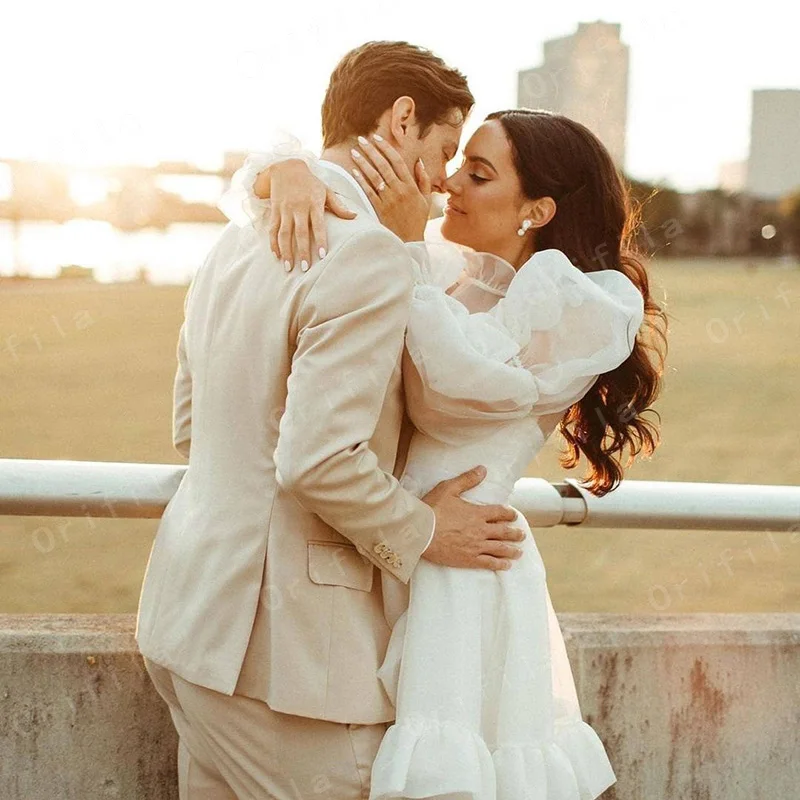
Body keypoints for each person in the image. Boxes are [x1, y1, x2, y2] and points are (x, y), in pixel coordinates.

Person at [135, 41, 531, 800]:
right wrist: (425, 530)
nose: (446, 178)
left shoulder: (233, 241)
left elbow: (191, 425)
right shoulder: (368, 256)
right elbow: (316, 459)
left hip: (186, 628)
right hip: (289, 669)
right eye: (446, 149)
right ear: (402, 118)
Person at [235, 107, 668, 799]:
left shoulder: (578, 297)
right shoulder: (454, 272)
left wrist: (403, 248)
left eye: (479, 172)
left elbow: (455, 388)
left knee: (457, 770)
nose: (449, 185)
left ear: (537, 209)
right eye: (458, 163)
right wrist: (287, 171)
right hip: (403, 551)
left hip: (464, 571)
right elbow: (272, 182)